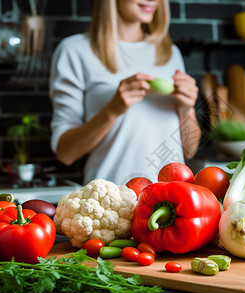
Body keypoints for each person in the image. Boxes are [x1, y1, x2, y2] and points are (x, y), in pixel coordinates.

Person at [49, 0, 201, 185]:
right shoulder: (75, 51)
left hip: (171, 200)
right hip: (110, 204)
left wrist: (187, 109)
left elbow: (189, 150)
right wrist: (113, 110)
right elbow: (65, 153)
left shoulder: (170, 53)